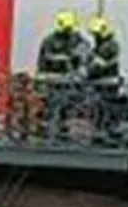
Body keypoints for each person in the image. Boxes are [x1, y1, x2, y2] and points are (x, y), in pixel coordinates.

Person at [35, 11, 87, 141]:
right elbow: (46, 58)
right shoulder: (50, 40)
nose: (68, 32)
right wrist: (64, 59)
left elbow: (84, 50)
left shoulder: (76, 38)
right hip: (50, 78)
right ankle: (43, 130)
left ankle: (63, 132)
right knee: (47, 105)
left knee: (66, 105)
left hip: (67, 79)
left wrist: (80, 53)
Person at [84, 15, 123, 142]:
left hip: (107, 84)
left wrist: (86, 70)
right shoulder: (101, 45)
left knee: (105, 109)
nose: (94, 36)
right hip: (101, 84)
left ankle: (107, 132)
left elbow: (97, 66)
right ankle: (101, 131)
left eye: (96, 33)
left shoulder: (109, 46)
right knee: (100, 109)